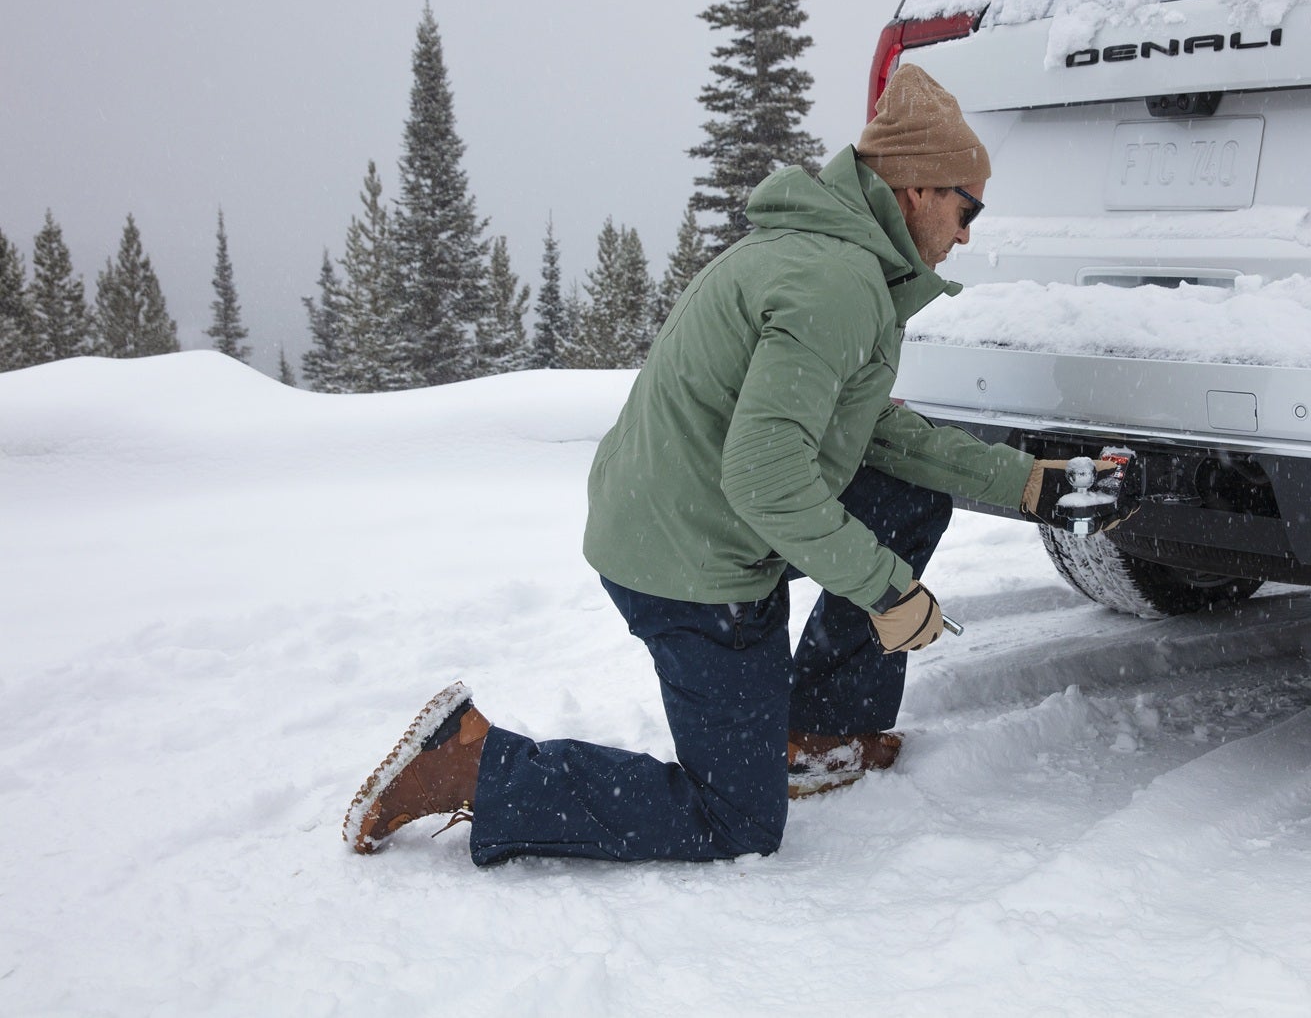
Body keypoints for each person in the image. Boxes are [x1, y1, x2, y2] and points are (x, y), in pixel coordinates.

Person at [344, 65, 1129, 864]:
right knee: (737, 820)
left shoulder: (836, 260)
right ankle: (477, 765)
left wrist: (1029, 483)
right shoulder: (837, 284)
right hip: (690, 561)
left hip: (683, 512)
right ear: (917, 192)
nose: (969, 234)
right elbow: (767, 479)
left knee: (907, 493)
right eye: (969, 207)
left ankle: (817, 724)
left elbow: (874, 438)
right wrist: (888, 591)